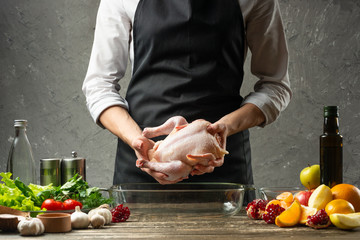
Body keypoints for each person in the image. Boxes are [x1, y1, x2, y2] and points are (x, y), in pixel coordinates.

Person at [82, 0, 292, 185]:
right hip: (145, 165)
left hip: (223, 168)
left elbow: (275, 85)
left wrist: (224, 129)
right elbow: (99, 86)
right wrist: (138, 141)